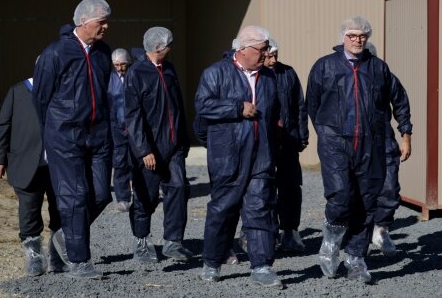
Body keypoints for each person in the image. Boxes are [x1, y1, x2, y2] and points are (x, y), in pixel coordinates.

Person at [306, 16, 411, 283]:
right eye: (352, 35)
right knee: (341, 196)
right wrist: (327, 134)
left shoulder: (378, 68)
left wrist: (405, 133)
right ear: (343, 37)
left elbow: (399, 100)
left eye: (363, 35)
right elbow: (313, 104)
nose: (358, 40)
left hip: (371, 144)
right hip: (335, 144)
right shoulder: (325, 66)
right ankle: (330, 241)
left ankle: (356, 259)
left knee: (366, 203)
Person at [195, 25, 283, 289]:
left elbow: (275, 113)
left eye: (267, 49)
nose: (266, 54)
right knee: (222, 210)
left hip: (261, 157)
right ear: (243, 49)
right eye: (262, 49)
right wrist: (236, 107)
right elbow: (202, 106)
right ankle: (212, 263)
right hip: (228, 157)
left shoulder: (268, 77)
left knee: (260, 209)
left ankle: (262, 266)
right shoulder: (215, 73)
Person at [32, 0, 113, 279]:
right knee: (75, 197)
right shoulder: (56, 54)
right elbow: (41, 99)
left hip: (99, 135)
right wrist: (51, 135)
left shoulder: (104, 53)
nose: (106, 27)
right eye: (101, 22)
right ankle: (80, 262)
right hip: (65, 136)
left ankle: (67, 235)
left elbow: (104, 94)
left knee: (102, 194)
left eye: (106, 21)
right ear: (83, 22)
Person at [124, 27, 192, 264]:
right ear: (157, 48)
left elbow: (178, 107)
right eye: (168, 45)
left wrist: (183, 140)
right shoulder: (136, 73)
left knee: (179, 188)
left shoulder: (170, 70)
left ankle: (173, 241)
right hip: (149, 150)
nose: (171, 49)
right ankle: (142, 240)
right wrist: (144, 150)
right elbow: (132, 116)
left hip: (174, 146)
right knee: (146, 197)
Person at [0, 74, 64, 276]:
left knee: (60, 208)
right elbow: (3, 126)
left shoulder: (62, 90)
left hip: (57, 164)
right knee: (29, 210)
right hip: (25, 162)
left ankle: (57, 254)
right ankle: (34, 256)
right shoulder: (18, 91)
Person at [364, 43, 413, 255]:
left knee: (390, 188)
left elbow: (401, 105)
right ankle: (358, 239)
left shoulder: (386, 77)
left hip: (383, 140)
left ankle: (381, 229)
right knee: (357, 192)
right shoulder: (343, 78)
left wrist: (406, 137)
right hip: (354, 142)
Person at [264, 38, 308, 252]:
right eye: (268, 56)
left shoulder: (287, 73)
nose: (272, 61)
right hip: (263, 141)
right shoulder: (254, 76)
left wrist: (302, 135)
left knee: (290, 186)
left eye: (275, 56)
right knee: (264, 186)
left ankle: (290, 230)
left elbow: (300, 105)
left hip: (288, 138)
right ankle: (266, 233)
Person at [109, 48, 133, 212]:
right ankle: (123, 197)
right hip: (116, 127)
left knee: (138, 162)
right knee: (120, 163)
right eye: (116, 65)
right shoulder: (109, 80)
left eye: (122, 64)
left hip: (134, 127)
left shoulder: (134, 76)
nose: (119, 68)